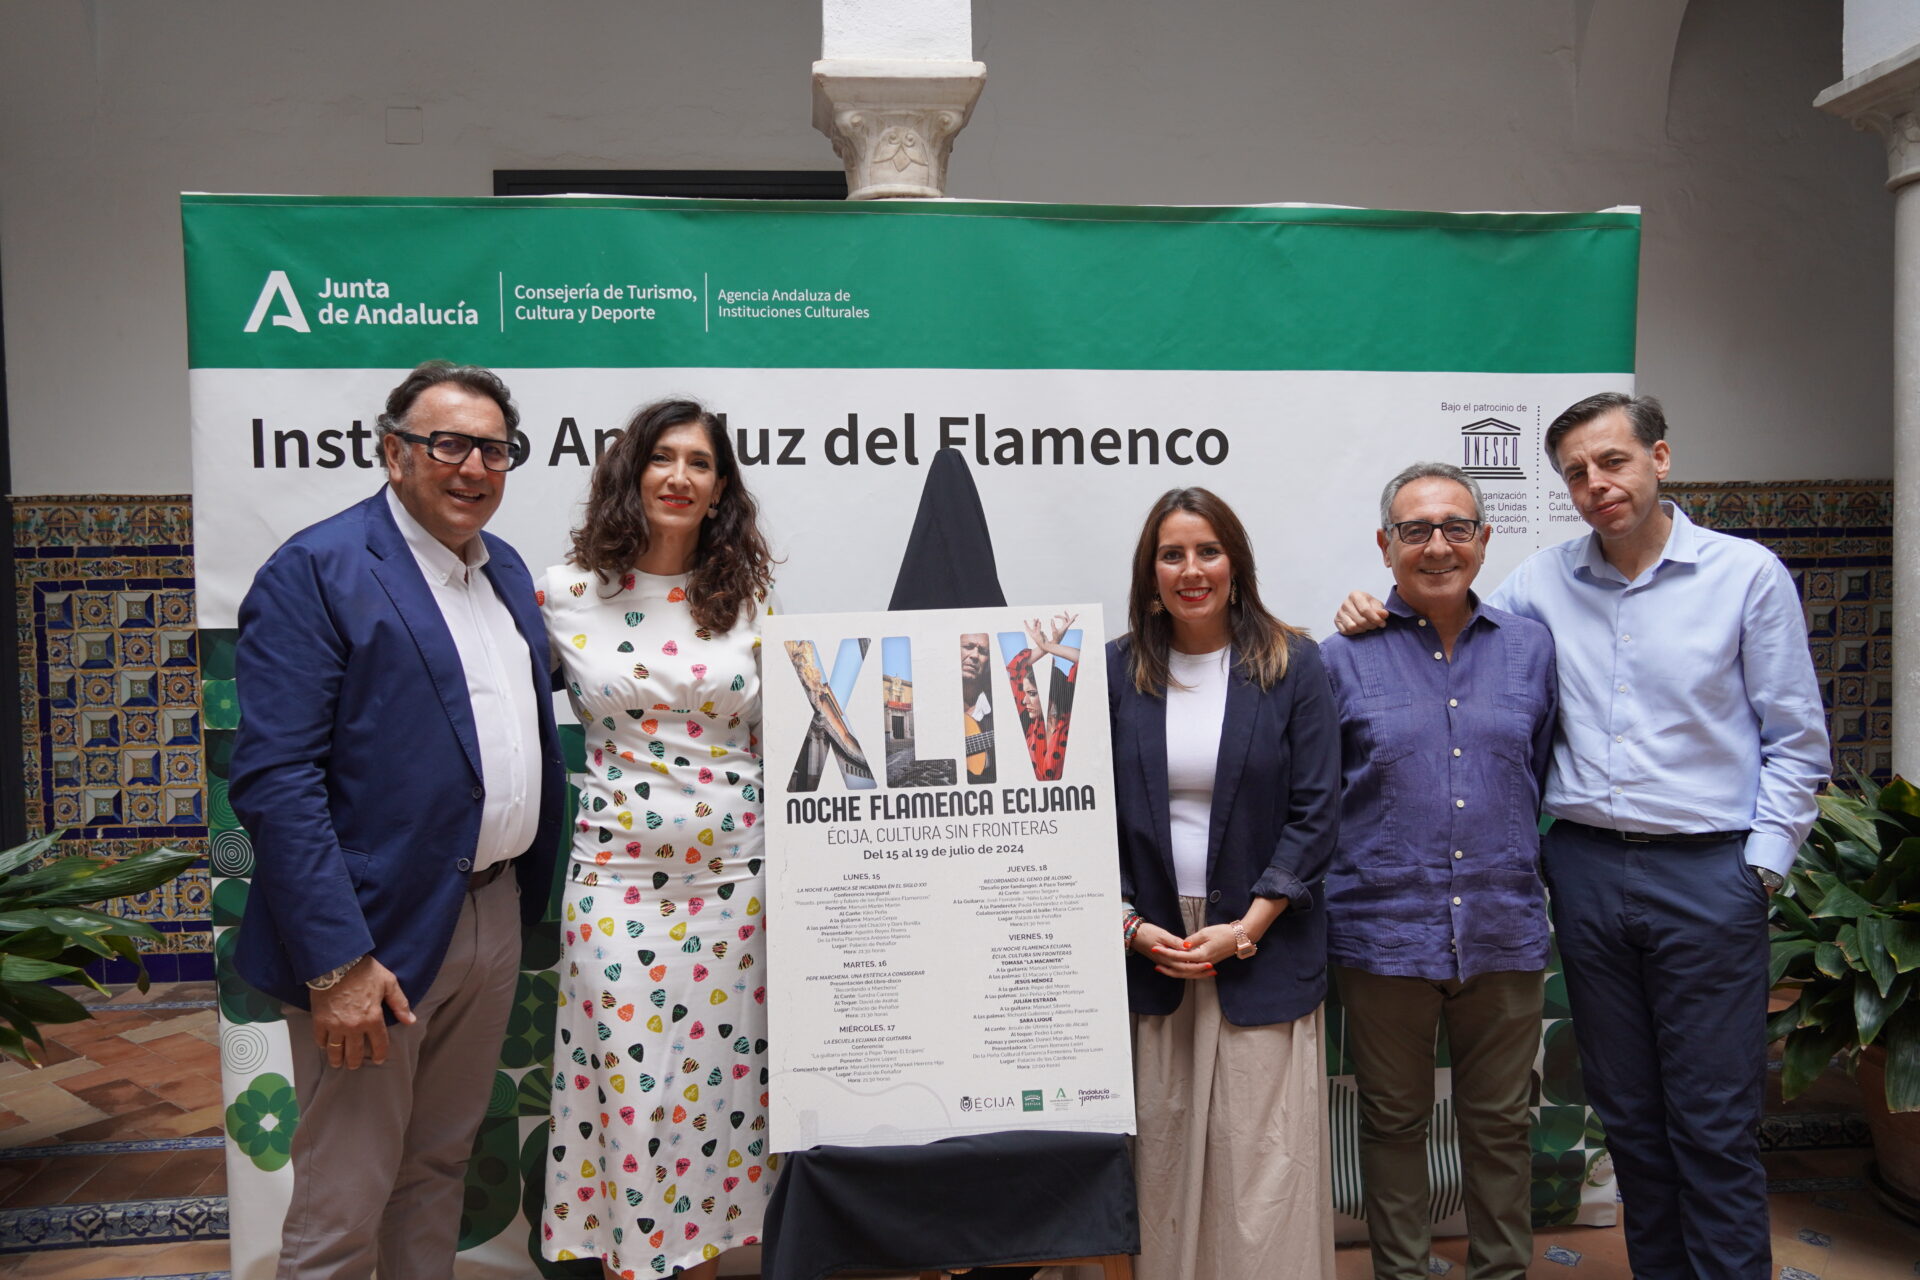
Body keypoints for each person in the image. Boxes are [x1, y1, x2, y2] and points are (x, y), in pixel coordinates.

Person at [1335, 394, 1830, 1280]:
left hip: (1708, 871)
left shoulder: (1745, 574)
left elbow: (1798, 741)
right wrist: (1362, 611)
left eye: (1614, 461)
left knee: (1713, 1125)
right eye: (1577, 472)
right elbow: (1445, 612)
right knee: (1630, 1119)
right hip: (1587, 872)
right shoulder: (1542, 584)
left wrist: (1758, 869)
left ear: (1660, 458)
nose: (1597, 483)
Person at [229, 361, 564, 1278]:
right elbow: (275, 777)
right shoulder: (319, 569)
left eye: (495, 449)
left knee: (437, 1167)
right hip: (371, 937)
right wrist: (337, 961)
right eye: (447, 443)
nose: (473, 466)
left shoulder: (504, 576)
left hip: (490, 914)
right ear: (392, 450)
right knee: (347, 1193)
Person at [538, 398, 777, 1280]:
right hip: (615, 883)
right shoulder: (563, 593)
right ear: (632, 471)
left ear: (720, 489)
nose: (681, 476)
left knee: (711, 1107)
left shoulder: (749, 600)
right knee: (633, 1103)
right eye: (664, 458)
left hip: (733, 891)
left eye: (701, 464)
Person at [1320, 462, 1556, 1280]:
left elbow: (1543, 768)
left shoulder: (1530, 651)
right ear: (1386, 547)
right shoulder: (1339, 659)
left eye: (1457, 527)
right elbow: (1317, 798)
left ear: (1485, 541)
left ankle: (1502, 1271)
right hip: (1384, 931)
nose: (1438, 545)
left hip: (1504, 927)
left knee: (1500, 1125)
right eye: (1415, 530)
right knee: (1392, 1122)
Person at [1111, 487, 1340, 1280]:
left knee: (1259, 1170)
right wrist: (1133, 927)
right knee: (1159, 1160)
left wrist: (1248, 926)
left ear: (1236, 565)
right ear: (1151, 574)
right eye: (1172, 554)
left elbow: (1317, 815)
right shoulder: (1112, 671)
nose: (1191, 569)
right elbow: (1078, 817)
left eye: (1207, 550)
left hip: (1262, 943)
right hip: (1151, 949)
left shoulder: (1293, 665)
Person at [1007, 612, 1080, 781]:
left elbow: (1086, 660)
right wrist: (1049, 644)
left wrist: (1049, 646)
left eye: (1032, 694)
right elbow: (1013, 669)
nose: (1024, 701)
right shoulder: (1031, 726)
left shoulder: (1071, 717)